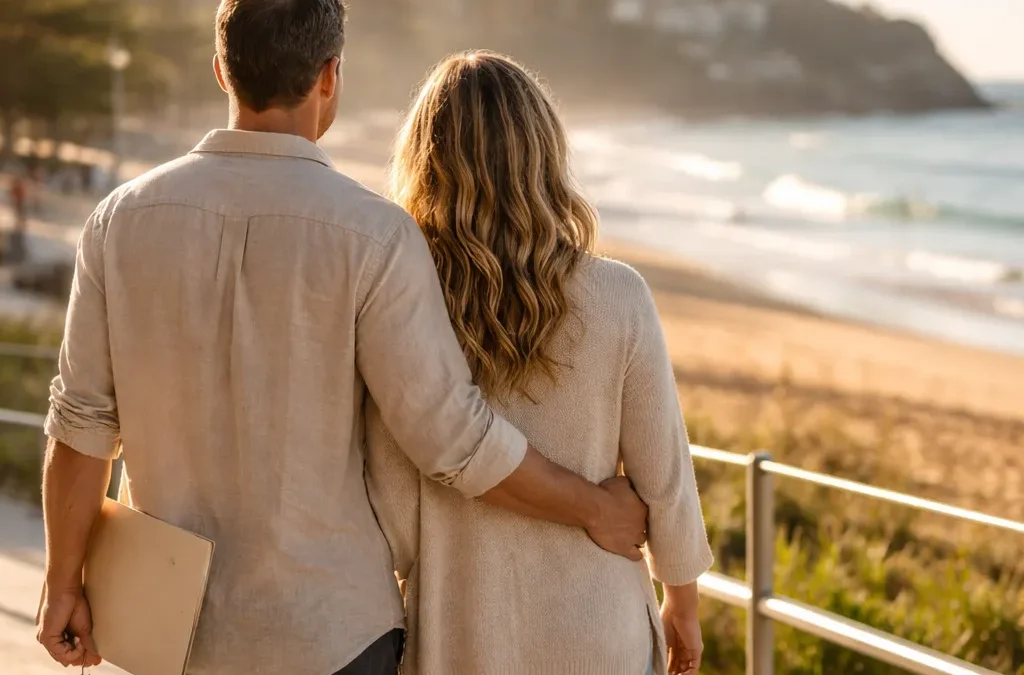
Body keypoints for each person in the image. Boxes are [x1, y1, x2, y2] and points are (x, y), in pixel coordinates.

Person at [35, 4, 648, 675]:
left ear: (221, 71)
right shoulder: (373, 234)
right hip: (333, 636)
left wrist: (63, 583)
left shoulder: (119, 222)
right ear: (330, 75)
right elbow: (451, 437)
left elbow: (82, 425)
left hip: (171, 631)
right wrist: (593, 505)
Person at [366, 52, 715, 675]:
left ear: (423, 163)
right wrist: (681, 605)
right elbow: (666, 478)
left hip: (461, 633)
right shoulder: (618, 295)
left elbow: (388, 502)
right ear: (545, 153)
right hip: (598, 631)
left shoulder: (400, 304)